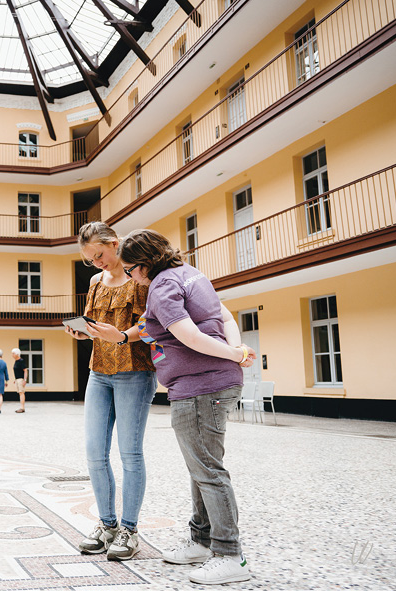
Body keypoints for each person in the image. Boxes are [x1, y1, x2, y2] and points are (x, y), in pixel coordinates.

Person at [117, 229, 256, 585]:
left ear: (144, 264)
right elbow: (225, 319)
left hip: (199, 386)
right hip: (217, 381)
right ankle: (201, 540)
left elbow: (190, 337)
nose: (130, 276)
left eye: (130, 269)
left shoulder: (162, 286)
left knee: (208, 470)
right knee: (203, 466)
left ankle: (230, 555)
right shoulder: (192, 274)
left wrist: (234, 354)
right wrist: (236, 353)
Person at [64, 221, 157, 561]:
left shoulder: (141, 277)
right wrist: (82, 333)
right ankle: (107, 525)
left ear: (115, 244)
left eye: (100, 255)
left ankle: (130, 531)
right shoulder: (94, 282)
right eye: (91, 260)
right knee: (94, 453)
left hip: (135, 371)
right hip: (99, 372)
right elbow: (93, 325)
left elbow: (150, 324)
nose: (98, 263)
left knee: (130, 453)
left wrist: (119, 335)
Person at [11, 348, 28, 413]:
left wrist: (25, 380)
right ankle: (21, 407)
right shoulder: (16, 361)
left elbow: (25, 371)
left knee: (21, 393)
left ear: (17, 354)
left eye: (13, 353)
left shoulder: (21, 361)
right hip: (17, 379)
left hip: (21, 379)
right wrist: (15, 379)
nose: (12, 355)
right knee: (20, 393)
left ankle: (22, 408)